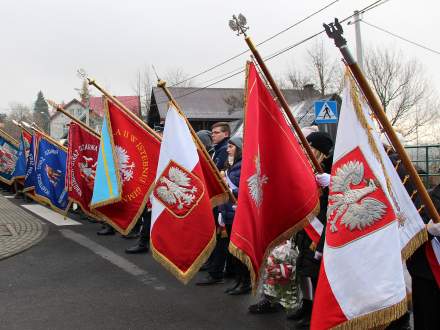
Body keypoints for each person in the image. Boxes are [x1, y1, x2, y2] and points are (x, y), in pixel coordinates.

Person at [287, 131, 333, 327]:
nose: (305, 150)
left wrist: (332, 182)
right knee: (303, 269)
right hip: (306, 226)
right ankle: (306, 306)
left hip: (321, 229)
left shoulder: (331, 169)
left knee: (313, 271)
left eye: (309, 146)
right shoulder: (307, 168)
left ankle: (316, 311)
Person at [196, 136, 248, 292]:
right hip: (227, 213)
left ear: (238, 149)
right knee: (232, 251)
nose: (227, 149)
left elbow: (247, 189)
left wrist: (232, 190)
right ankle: (239, 281)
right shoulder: (231, 166)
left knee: (239, 251)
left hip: (237, 214)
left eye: (231, 147)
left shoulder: (242, 166)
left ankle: (245, 283)